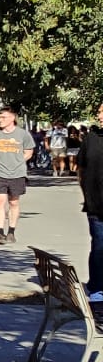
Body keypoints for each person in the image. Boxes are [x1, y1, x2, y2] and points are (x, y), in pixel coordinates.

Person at [0, 107, 34, 245]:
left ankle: (11, 231)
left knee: (14, 202)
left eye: (3, 117)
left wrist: (18, 162)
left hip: (17, 173)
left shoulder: (23, 134)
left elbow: (29, 151)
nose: (0, 120)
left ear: (12, 118)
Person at [80, 104, 103, 301]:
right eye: (99, 112)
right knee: (99, 246)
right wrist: (87, 195)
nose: (99, 115)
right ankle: (96, 287)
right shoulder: (90, 139)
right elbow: (81, 170)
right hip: (96, 205)